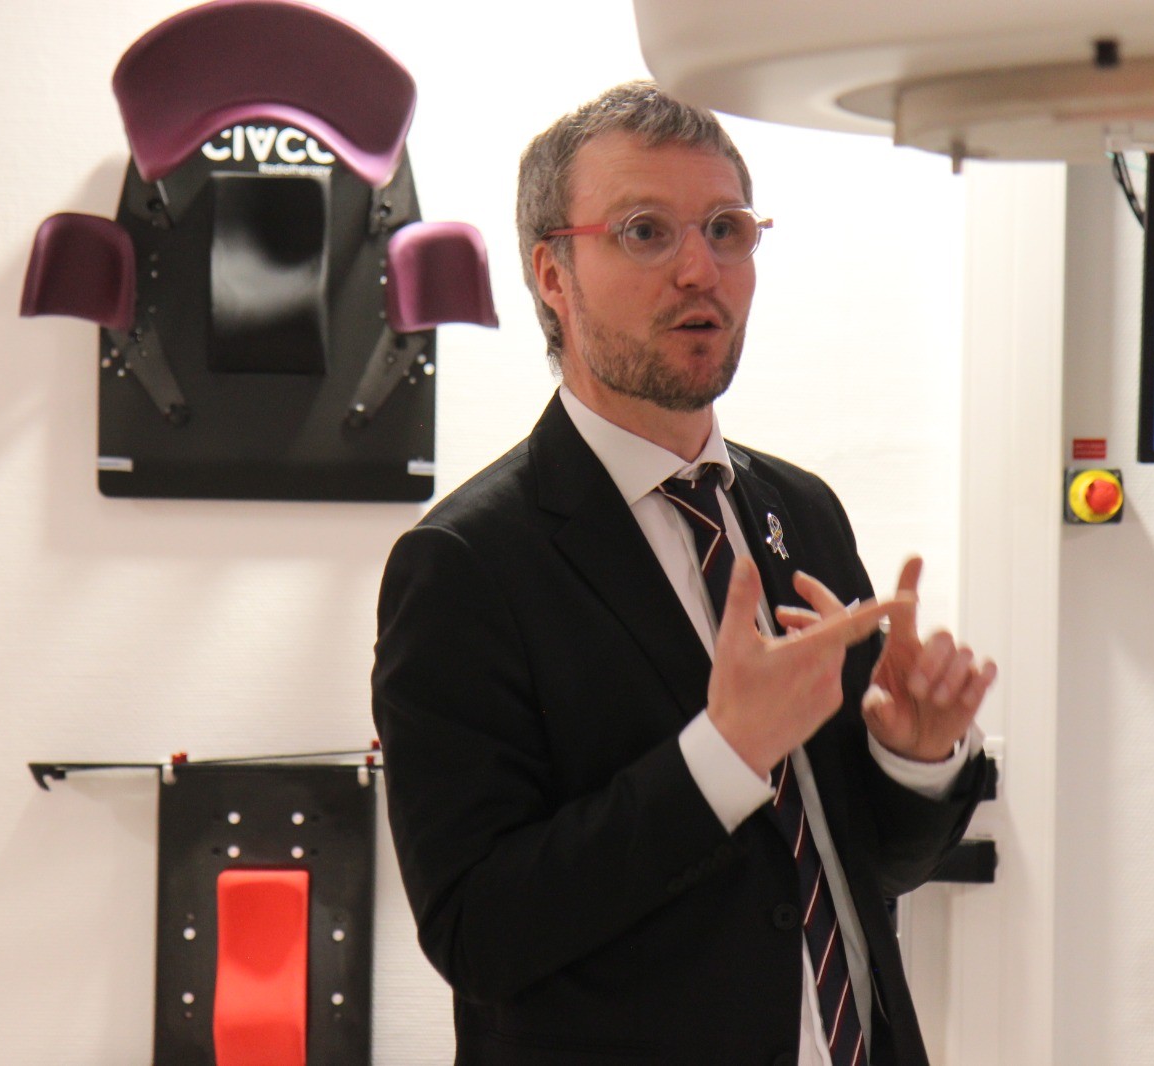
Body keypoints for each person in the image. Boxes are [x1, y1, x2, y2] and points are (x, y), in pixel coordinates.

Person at [372, 81, 996, 1066]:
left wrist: (914, 756)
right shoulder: (463, 565)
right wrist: (724, 755)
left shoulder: (802, 512)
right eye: (644, 232)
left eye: (726, 229)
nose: (700, 269)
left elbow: (867, 866)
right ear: (552, 274)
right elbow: (479, 932)